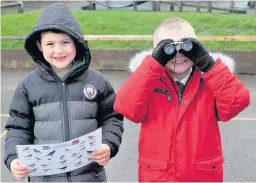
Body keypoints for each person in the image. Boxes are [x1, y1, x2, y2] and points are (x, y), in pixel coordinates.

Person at [114, 17, 250, 182]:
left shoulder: (211, 80)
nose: (178, 55)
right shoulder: (148, 80)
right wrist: (152, 66)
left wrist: (209, 66)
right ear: (156, 51)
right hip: (159, 176)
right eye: (168, 48)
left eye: (186, 47)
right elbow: (126, 107)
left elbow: (237, 102)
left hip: (202, 176)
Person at [4, 3, 124, 182]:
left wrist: (108, 144)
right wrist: (13, 158)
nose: (58, 50)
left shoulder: (97, 81)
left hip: (89, 177)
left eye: (65, 42)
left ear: (76, 43)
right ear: (39, 46)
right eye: (50, 44)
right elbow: (18, 128)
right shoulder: (28, 86)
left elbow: (112, 118)